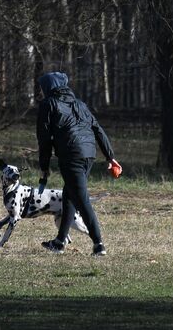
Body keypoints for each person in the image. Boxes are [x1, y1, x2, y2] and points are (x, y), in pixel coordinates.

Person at [36, 71, 121, 256]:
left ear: (49, 88)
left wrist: (44, 166)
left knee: (81, 200)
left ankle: (99, 245)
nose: (42, 92)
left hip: (71, 155)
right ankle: (59, 243)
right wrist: (109, 156)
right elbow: (97, 129)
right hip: (88, 154)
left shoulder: (48, 104)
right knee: (69, 195)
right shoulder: (80, 104)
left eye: (43, 88)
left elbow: (44, 139)